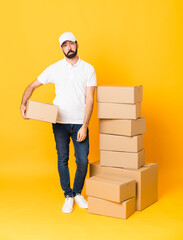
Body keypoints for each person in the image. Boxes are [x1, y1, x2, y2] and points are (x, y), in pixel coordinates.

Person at [20, 32, 97, 214]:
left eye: (71, 44)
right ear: (61, 48)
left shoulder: (88, 69)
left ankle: (77, 192)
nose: (69, 48)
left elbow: (90, 99)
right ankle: (68, 196)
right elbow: (32, 86)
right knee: (62, 159)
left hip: (80, 122)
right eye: (65, 45)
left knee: (83, 160)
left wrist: (85, 125)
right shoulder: (55, 68)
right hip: (60, 123)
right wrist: (23, 103)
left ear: (77, 44)